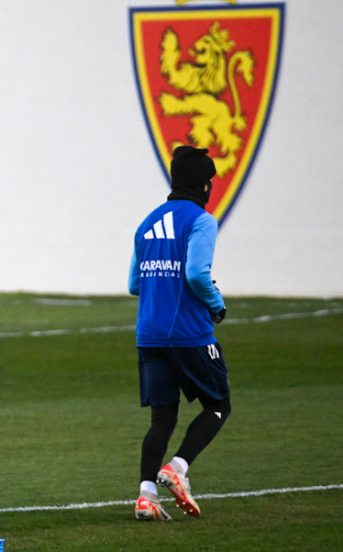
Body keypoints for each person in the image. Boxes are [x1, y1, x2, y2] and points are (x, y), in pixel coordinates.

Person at [128, 146, 230, 521]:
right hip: (190, 334)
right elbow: (196, 275)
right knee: (219, 404)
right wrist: (217, 304)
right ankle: (178, 468)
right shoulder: (202, 221)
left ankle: (146, 496)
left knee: (162, 418)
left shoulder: (147, 224)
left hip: (149, 337)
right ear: (203, 184)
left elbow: (134, 284)